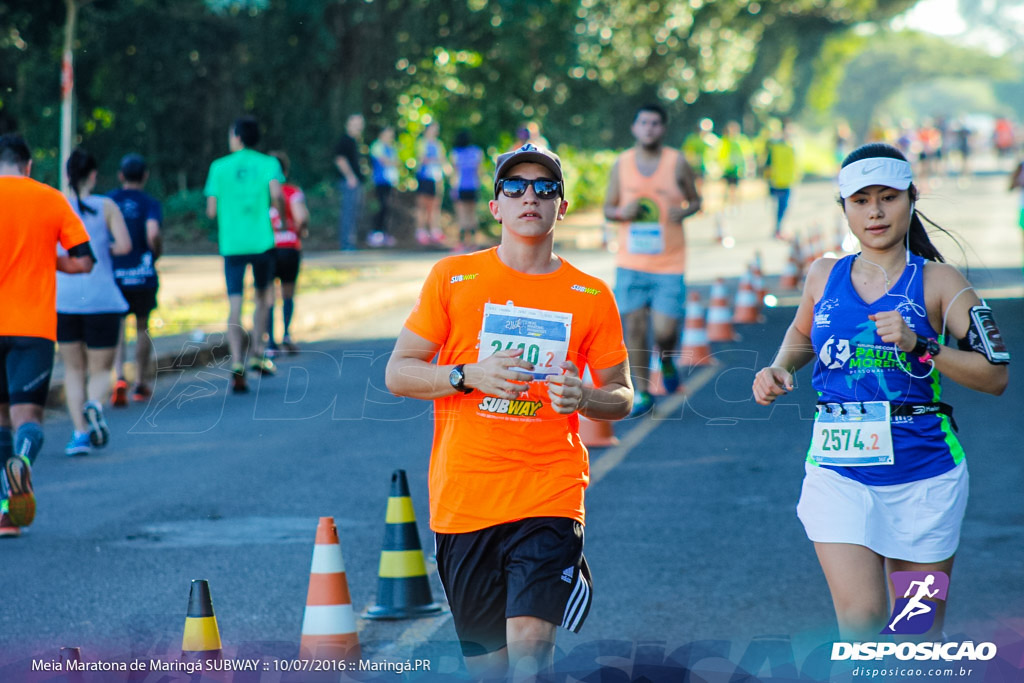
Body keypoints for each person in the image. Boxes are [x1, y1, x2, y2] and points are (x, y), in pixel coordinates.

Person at [385, 144, 633, 681]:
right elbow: (398, 372)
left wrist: (586, 397)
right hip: (464, 501)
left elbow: (623, 393)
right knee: (490, 670)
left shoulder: (589, 294)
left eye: (545, 189)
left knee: (530, 649)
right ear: (494, 206)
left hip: (549, 489)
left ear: (561, 207)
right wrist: (466, 375)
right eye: (515, 187)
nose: (530, 197)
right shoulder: (453, 278)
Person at [752, 142, 1009, 641]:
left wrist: (921, 345)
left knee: (915, 634)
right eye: (861, 199)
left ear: (911, 199)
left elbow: (995, 376)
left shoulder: (939, 281)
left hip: (925, 472)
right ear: (844, 207)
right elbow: (804, 334)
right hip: (838, 468)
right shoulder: (823, 273)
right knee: (861, 623)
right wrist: (781, 367)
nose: (875, 211)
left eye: (888, 197)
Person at [0, 134, 94, 536]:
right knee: (28, 419)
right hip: (34, 327)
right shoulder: (51, 198)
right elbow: (84, 261)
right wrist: (44, 257)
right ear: (29, 164)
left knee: (0, 420)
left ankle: (6, 514)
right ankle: (20, 469)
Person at [603, 103, 702, 417]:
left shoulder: (677, 162)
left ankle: (668, 358)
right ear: (634, 128)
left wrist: (684, 210)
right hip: (630, 262)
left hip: (669, 264)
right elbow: (608, 208)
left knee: (663, 331)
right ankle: (643, 392)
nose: (649, 128)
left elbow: (696, 200)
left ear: (663, 128)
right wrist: (622, 213)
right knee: (633, 327)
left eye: (656, 123)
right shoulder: (622, 164)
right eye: (643, 122)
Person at [57, 150, 133, 457]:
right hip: (102, 298)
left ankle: (79, 434)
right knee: (101, 370)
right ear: (93, 175)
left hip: (64, 300)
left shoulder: (56, 206)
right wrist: (102, 248)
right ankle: (94, 404)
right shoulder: (107, 206)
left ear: (66, 176)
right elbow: (125, 246)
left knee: (73, 370)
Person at [204, 115, 284, 393]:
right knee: (263, 297)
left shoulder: (218, 166)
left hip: (232, 244)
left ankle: (236, 362)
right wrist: (279, 215)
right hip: (262, 241)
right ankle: (258, 352)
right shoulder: (269, 163)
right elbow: (277, 195)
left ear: (237, 137)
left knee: (235, 302)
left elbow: (211, 210)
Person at [109, 153, 163, 406]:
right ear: (145, 176)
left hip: (116, 276)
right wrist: (156, 252)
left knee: (117, 328)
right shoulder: (150, 203)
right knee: (143, 327)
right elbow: (153, 233)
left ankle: (119, 377)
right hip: (142, 276)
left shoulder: (109, 201)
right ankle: (140, 382)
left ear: (121, 175)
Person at [266, 151, 309, 356]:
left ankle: (270, 343)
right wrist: (299, 232)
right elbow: (301, 218)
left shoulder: (261, 194)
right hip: (290, 248)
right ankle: (286, 335)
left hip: (267, 249)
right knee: (288, 294)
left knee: (267, 296)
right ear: (285, 170)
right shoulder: (292, 192)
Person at [334, 114, 366, 250]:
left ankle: (350, 242)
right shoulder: (345, 140)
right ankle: (346, 244)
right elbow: (339, 159)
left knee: (353, 213)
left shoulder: (355, 141)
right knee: (348, 212)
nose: (358, 126)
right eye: (355, 123)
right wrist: (350, 177)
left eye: (360, 123)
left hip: (355, 182)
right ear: (348, 124)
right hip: (348, 183)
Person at [413, 121, 447, 246]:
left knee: (434, 205)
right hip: (424, 177)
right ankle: (421, 230)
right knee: (422, 204)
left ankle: (434, 230)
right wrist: (435, 159)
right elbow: (422, 159)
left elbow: (443, 160)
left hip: (436, 178)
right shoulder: (422, 143)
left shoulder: (438, 144)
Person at [449, 129, 484, 251]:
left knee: (462, 215)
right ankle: (474, 243)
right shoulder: (476, 152)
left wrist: (453, 189)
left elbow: (455, 173)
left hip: (461, 187)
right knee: (472, 215)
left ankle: (462, 242)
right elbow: (479, 172)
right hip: (474, 186)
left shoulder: (456, 153)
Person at [763, 122, 798, 239]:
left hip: (785, 181)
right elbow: (768, 163)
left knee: (783, 206)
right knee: (781, 206)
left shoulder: (790, 146)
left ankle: (779, 228)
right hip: (778, 181)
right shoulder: (777, 146)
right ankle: (778, 228)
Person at [368, 125, 399, 248]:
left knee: (388, 207)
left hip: (390, 181)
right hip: (380, 181)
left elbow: (395, 162)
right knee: (381, 205)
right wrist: (391, 162)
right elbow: (384, 161)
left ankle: (385, 233)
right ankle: (376, 232)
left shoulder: (391, 147)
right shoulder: (377, 146)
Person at [716, 120, 753, 213]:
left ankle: (737, 206)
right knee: (726, 189)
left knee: (736, 189)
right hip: (728, 169)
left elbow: (747, 154)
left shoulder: (741, 140)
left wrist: (747, 167)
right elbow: (720, 154)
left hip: (738, 169)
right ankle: (726, 206)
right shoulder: (725, 141)